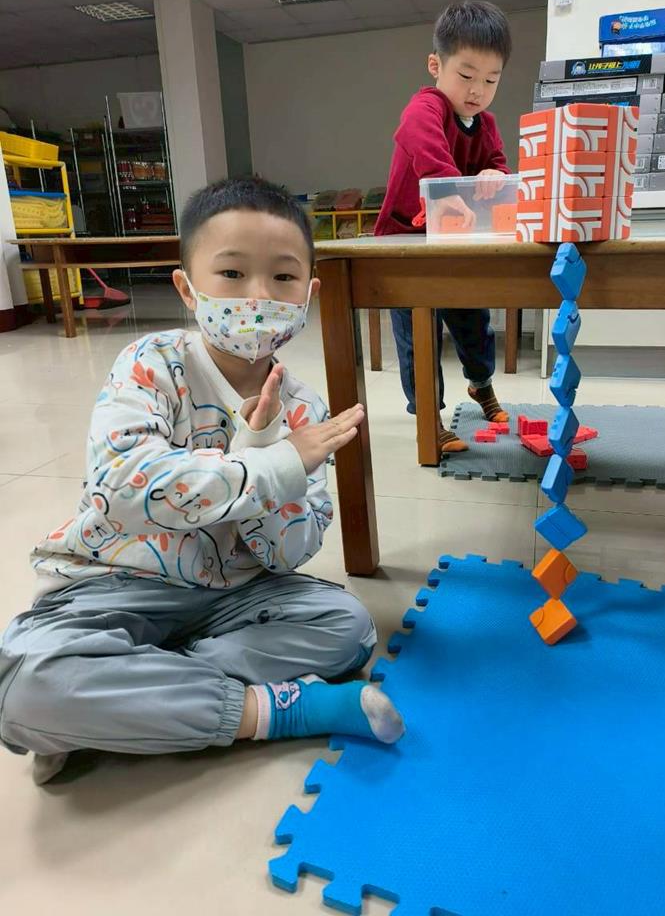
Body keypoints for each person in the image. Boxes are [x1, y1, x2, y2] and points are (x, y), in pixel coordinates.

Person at [0, 177, 404, 784]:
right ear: (188, 288)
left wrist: (268, 443)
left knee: (348, 629)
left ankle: (127, 697)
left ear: (309, 293)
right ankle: (281, 710)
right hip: (115, 584)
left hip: (236, 596)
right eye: (233, 274)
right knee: (22, 687)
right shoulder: (151, 363)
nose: (259, 295)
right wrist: (271, 464)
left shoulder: (304, 411)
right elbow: (122, 486)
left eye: (283, 277)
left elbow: (289, 554)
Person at [375, 0, 513, 451]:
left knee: (474, 320)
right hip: (406, 243)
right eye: (466, 75)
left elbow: (497, 164)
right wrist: (445, 183)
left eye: (490, 80)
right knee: (419, 334)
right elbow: (417, 133)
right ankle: (427, 416)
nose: (477, 90)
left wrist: (494, 173)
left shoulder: (486, 124)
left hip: (455, 241)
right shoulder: (427, 105)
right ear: (436, 65)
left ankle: (480, 385)